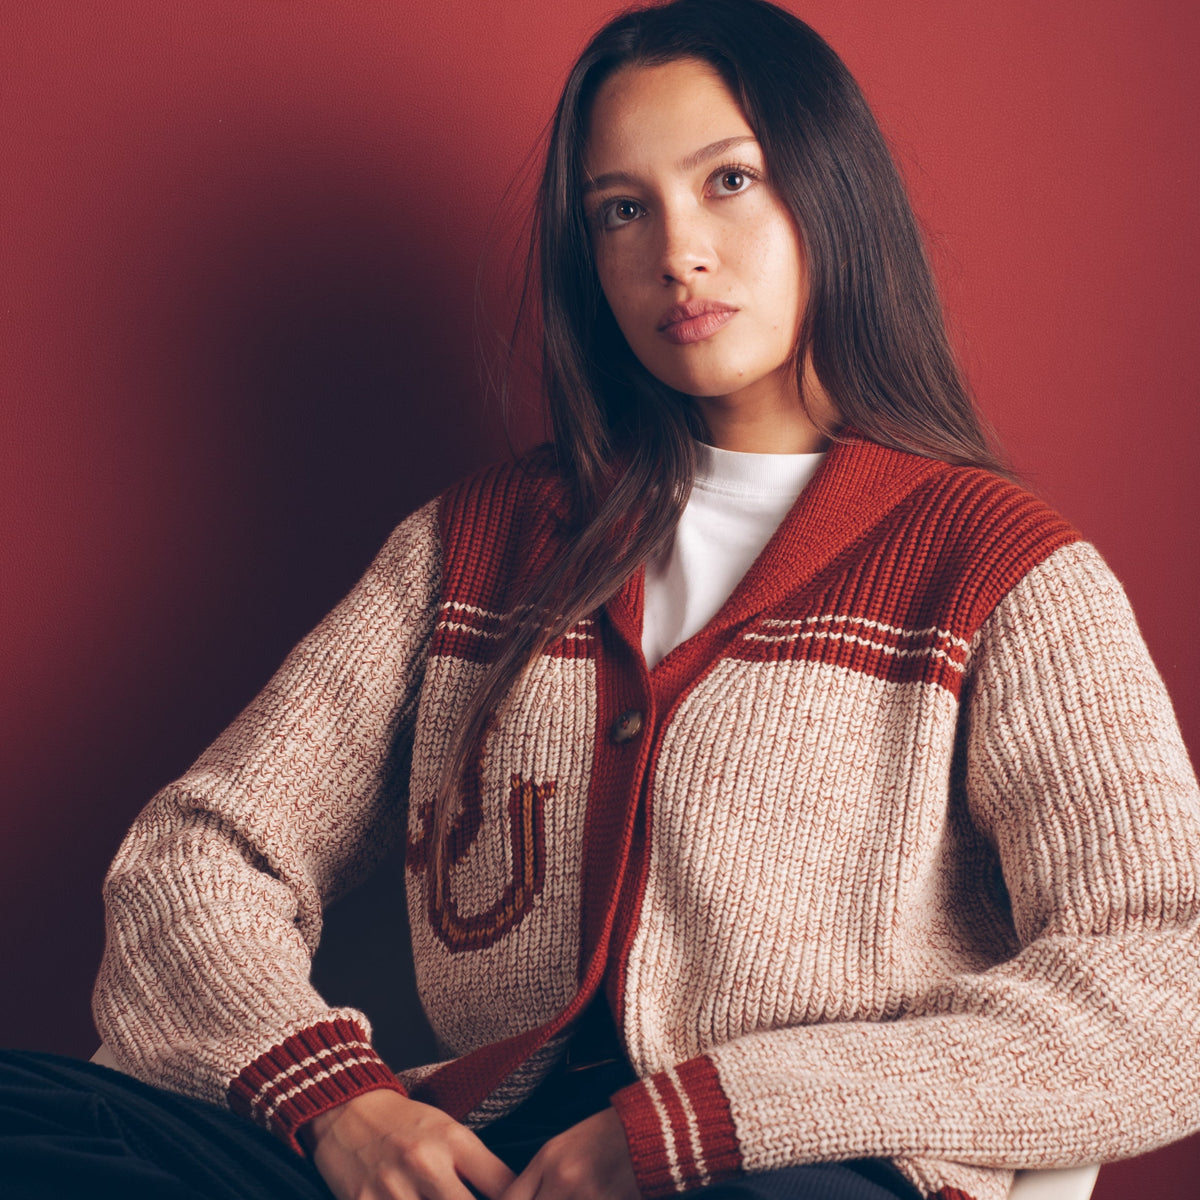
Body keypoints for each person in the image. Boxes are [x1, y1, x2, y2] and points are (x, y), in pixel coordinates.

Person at [3, 1, 1198, 1198]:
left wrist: (707, 1120)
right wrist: (337, 1104)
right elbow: (195, 856)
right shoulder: (475, 548)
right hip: (481, 1159)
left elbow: (1167, 977)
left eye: (729, 180)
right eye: (621, 210)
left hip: (789, 1164)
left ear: (833, 193)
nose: (677, 252)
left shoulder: (993, 567)